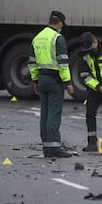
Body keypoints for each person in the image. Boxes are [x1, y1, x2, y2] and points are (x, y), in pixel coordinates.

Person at [27, 10, 74, 158]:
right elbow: (63, 62)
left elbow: (32, 63)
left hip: (42, 79)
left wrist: (35, 80)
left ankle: (46, 147)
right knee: (54, 113)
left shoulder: (37, 37)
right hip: (55, 81)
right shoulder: (57, 38)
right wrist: (68, 82)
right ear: (59, 23)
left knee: (45, 113)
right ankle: (53, 147)